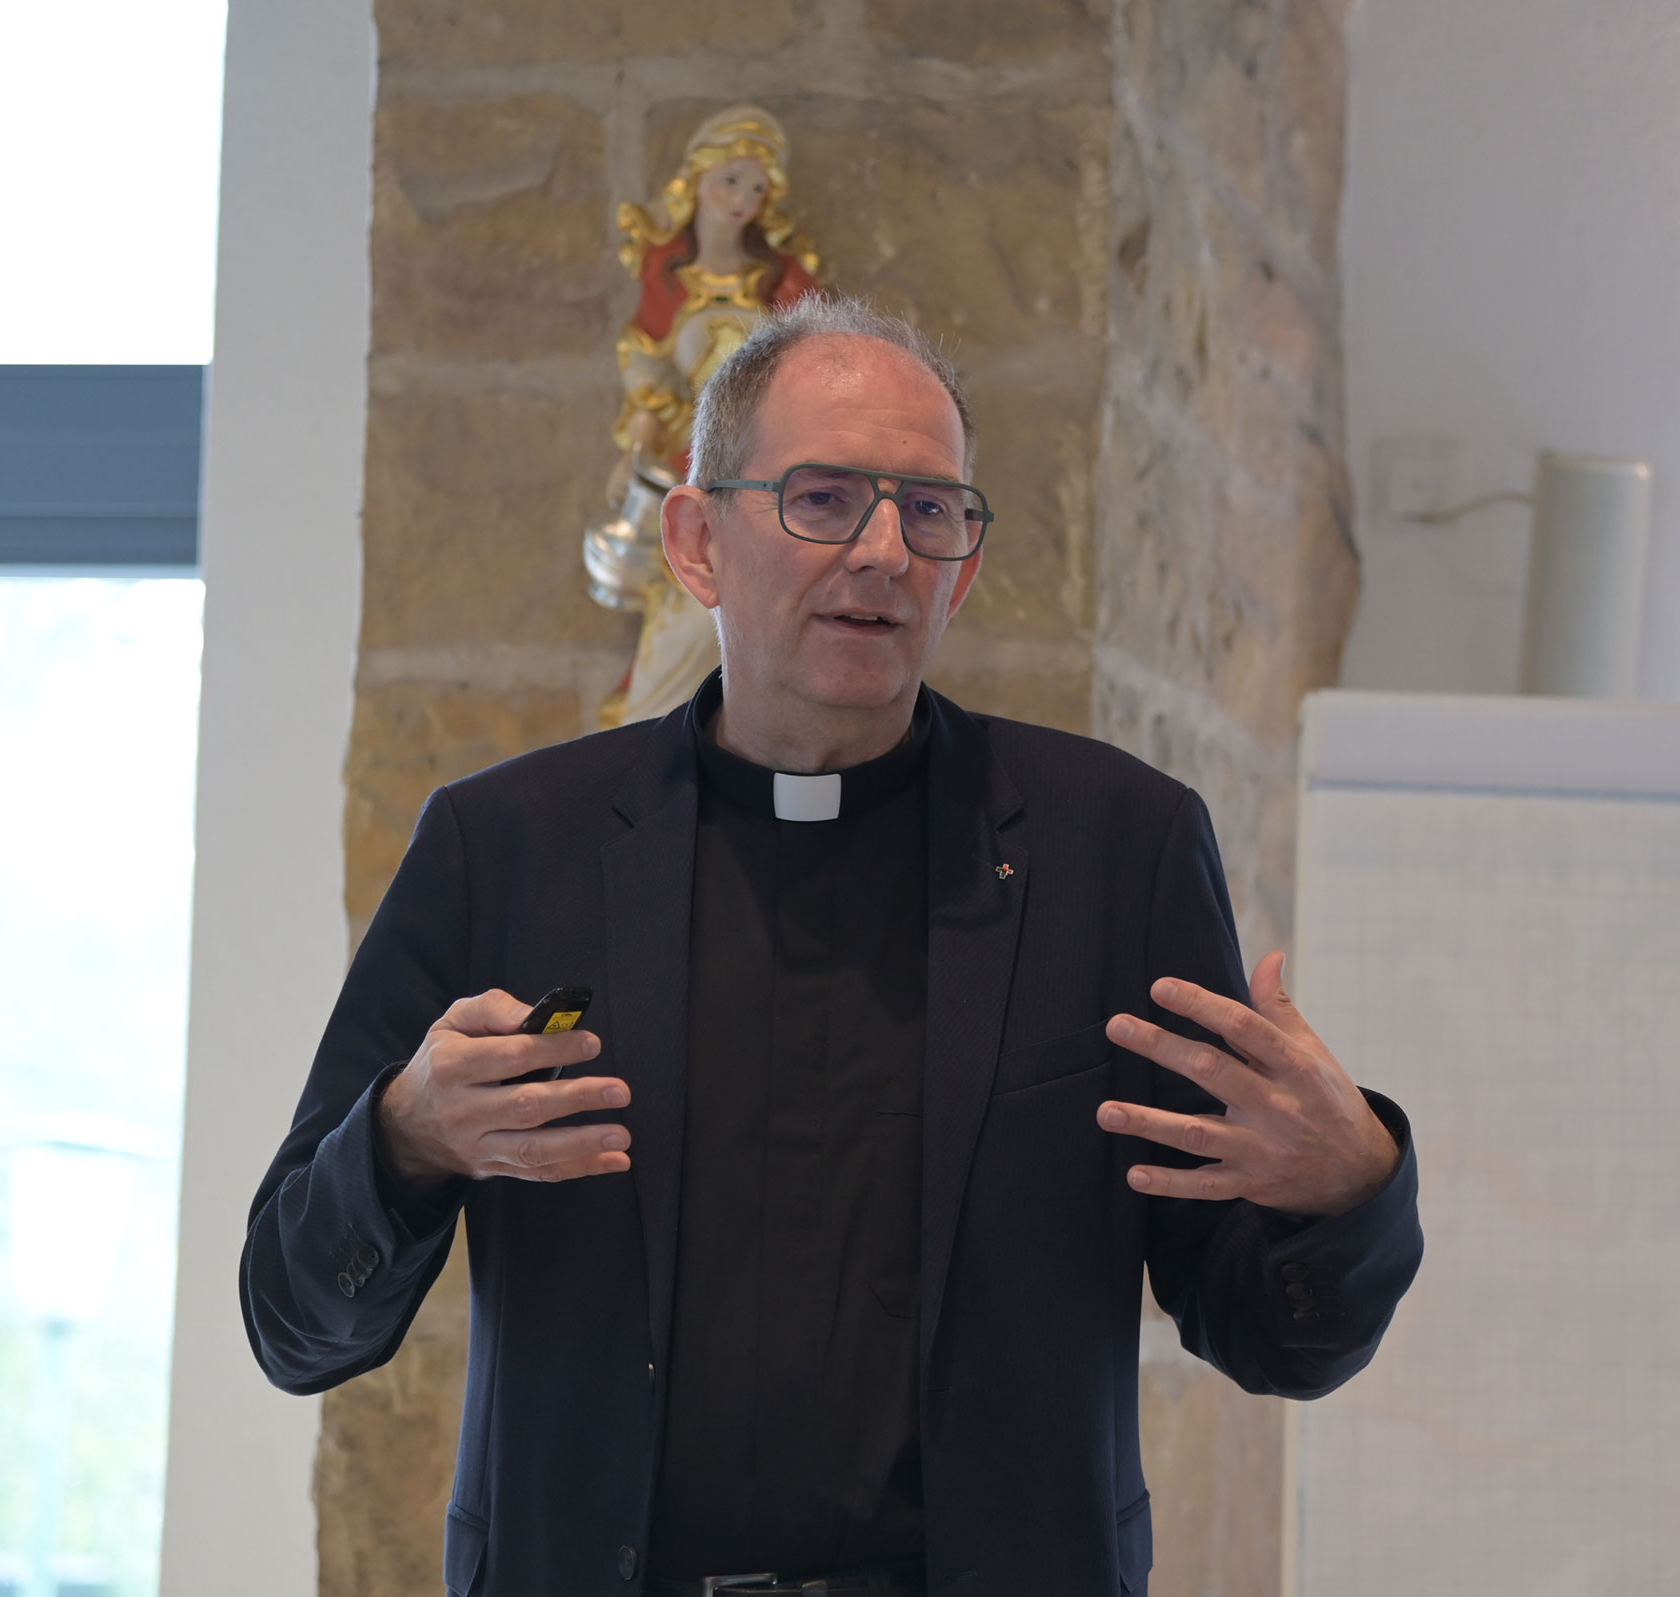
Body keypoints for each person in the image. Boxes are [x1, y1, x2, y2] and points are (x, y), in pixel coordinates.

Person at [242, 297, 1423, 1597]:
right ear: (696, 541)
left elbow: (1271, 1335)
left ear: (964, 566)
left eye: (930, 512)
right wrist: (404, 1138)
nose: (883, 552)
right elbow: (294, 1323)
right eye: (823, 500)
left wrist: (1347, 1189)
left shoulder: (1114, 850)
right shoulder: (509, 848)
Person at [595, 106, 821, 728]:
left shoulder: (781, 280)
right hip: (688, 465)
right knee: (682, 613)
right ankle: (649, 735)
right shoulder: (668, 274)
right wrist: (639, 442)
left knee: (752, 610)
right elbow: (649, 365)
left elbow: (811, 365)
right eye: (730, 181)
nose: (742, 200)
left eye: (756, 188)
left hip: (766, 470)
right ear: (696, 179)